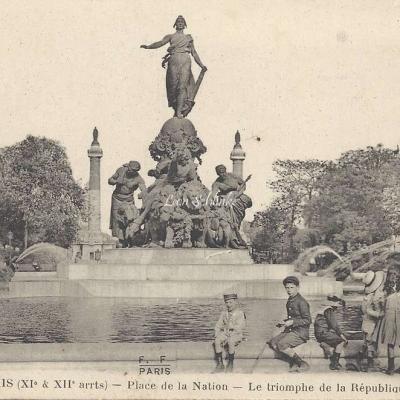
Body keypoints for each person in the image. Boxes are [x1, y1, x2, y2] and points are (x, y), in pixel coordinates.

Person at [140, 15, 207, 118]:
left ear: (185, 25)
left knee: (182, 86)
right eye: (178, 21)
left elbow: (194, 52)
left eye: (182, 21)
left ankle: (179, 111)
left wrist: (201, 65)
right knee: (173, 87)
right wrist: (149, 47)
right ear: (175, 24)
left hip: (185, 60)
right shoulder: (170, 36)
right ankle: (176, 109)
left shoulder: (188, 37)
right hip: (173, 60)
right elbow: (161, 43)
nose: (180, 23)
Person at [268, 276, 311, 372]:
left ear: (298, 287)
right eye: (287, 288)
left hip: (300, 333)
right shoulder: (290, 300)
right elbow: (293, 316)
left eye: (292, 287)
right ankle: (293, 362)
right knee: (273, 342)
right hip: (291, 330)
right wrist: (284, 321)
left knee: (282, 344)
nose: (289, 290)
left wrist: (292, 322)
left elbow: (308, 320)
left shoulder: (302, 302)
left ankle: (301, 363)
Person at [210, 165, 252, 248]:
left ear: (225, 171)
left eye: (223, 172)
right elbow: (213, 194)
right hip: (226, 200)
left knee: (237, 215)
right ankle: (233, 238)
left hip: (238, 197)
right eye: (220, 173)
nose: (222, 174)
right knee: (230, 214)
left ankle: (236, 236)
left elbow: (243, 185)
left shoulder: (233, 176)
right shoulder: (217, 183)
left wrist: (238, 194)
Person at [108, 161, 147, 247]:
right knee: (117, 220)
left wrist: (143, 197)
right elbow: (110, 180)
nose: (129, 171)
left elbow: (144, 190)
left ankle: (129, 239)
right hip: (117, 199)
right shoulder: (121, 170)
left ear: (136, 171)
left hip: (129, 200)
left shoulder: (138, 179)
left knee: (130, 219)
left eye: (132, 170)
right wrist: (116, 181)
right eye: (128, 169)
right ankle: (121, 240)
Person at [376, 263, 400, 374]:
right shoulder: (390, 290)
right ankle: (392, 368)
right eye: (393, 274)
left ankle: (391, 368)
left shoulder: (386, 290)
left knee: (391, 342)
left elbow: (381, 302)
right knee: (394, 342)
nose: (394, 276)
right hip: (395, 315)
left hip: (391, 316)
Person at [214, 293, 246, 373]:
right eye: (227, 303)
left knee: (231, 341)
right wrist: (217, 333)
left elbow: (240, 327)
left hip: (236, 334)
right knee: (217, 341)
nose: (228, 305)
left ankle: (230, 363)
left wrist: (232, 329)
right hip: (226, 333)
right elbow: (218, 325)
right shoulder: (224, 313)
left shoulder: (240, 313)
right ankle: (220, 364)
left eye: (230, 302)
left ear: (235, 302)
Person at [314, 295, 348, 370]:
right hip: (323, 333)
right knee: (341, 342)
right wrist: (342, 336)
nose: (338, 308)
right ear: (335, 303)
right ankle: (334, 364)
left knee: (335, 337)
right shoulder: (329, 310)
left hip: (319, 333)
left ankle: (324, 344)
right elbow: (334, 325)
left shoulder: (324, 309)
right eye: (338, 304)